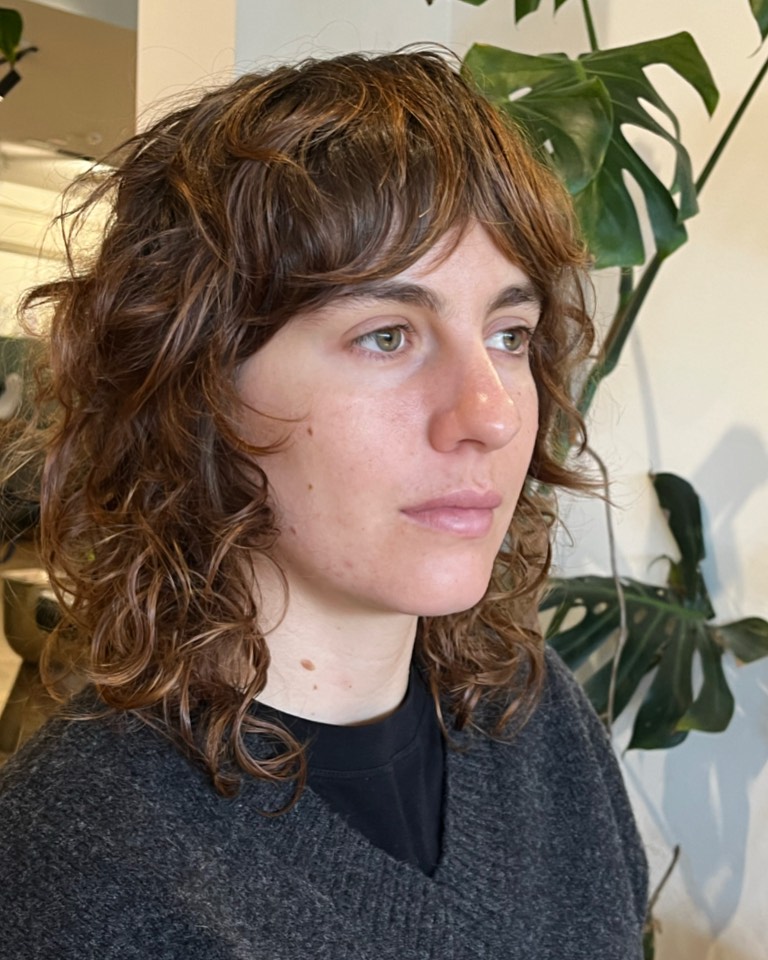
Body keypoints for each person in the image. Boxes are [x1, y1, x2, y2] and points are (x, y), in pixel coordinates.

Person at [0, 49, 647, 958]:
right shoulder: (82, 861)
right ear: (195, 386)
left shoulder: (535, 719)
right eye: (387, 336)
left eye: (510, 334)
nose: (492, 415)